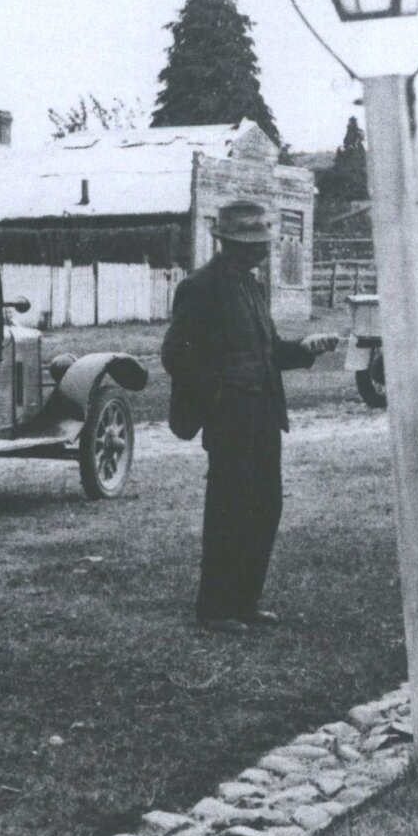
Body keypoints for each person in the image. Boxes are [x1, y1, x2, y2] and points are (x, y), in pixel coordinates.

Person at [162, 201, 339, 633]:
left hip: (262, 412)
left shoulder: (253, 288)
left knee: (264, 508)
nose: (262, 251)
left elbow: (270, 351)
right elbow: (175, 355)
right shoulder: (201, 287)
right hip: (230, 417)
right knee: (229, 510)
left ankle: (244, 602)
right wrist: (219, 395)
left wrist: (305, 348)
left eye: (263, 243)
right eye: (252, 244)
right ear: (230, 245)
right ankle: (215, 609)